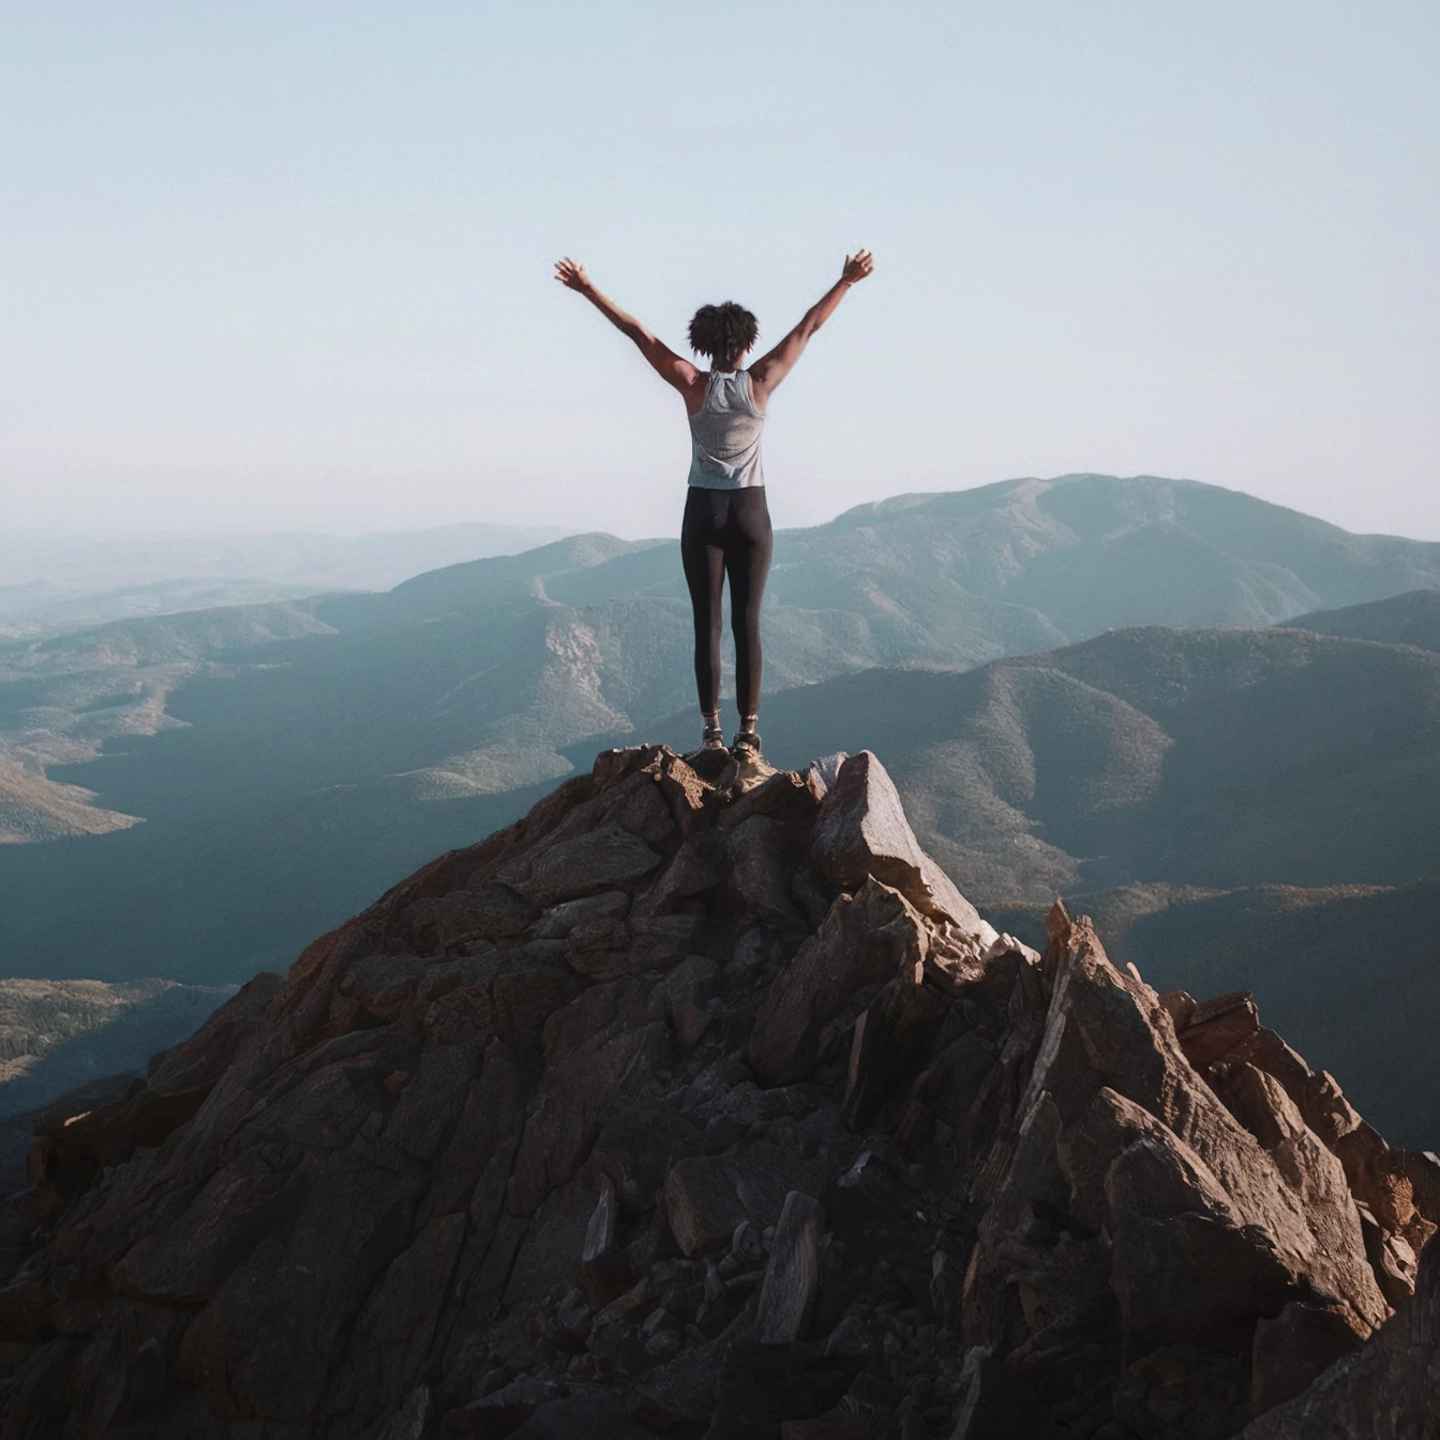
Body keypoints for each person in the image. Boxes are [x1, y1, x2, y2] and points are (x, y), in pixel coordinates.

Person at [555, 250, 875, 756]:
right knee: (747, 624)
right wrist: (846, 282)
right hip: (751, 514)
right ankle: (748, 735)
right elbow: (807, 327)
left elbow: (639, 335)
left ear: (702, 344)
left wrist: (588, 289)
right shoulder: (761, 381)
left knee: (707, 624)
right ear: (747, 343)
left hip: (703, 514)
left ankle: (712, 735)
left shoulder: (692, 383)